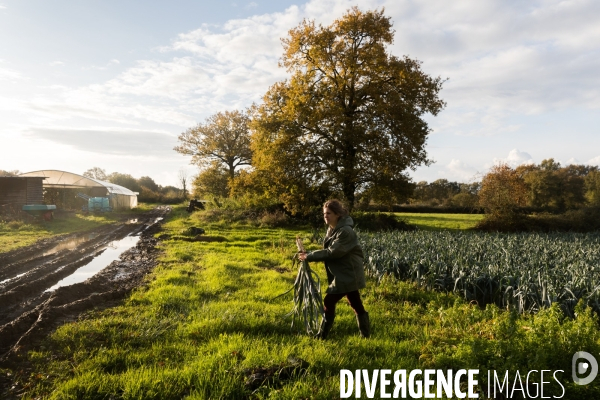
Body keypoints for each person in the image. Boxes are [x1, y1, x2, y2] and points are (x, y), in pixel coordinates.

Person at [298, 199, 370, 339]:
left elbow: (332, 252)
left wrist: (309, 256)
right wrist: (309, 254)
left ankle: (322, 335)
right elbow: (330, 250)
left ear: (338, 214)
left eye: (329, 213)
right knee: (355, 301)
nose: (325, 216)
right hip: (344, 272)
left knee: (329, 301)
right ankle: (366, 335)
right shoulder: (332, 228)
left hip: (348, 273)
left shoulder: (345, 232)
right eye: (324, 214)